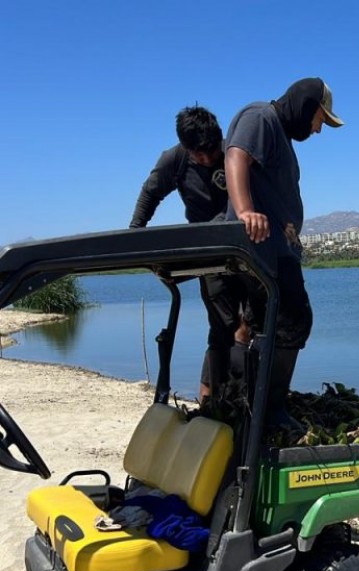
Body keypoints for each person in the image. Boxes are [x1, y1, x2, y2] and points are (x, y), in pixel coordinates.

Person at [224, 77, 344, 430]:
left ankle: (250, 401)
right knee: (293, 320)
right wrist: (245, 211)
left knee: (267, 326)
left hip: (278, 251)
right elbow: (236, 156)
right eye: (320, 119)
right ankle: (269, 410)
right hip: (265, 252)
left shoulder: (279, 134)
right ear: (306, 107)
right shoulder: (260, 117)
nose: (318, 129)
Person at [129, 106, 245, 399]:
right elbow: (150, 193)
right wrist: (135, 233)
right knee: (222, 328)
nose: (206, 159)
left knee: (252, 323)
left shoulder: (232, 151)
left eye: (209, 151)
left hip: (243, 248)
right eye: (198, 154)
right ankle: (208, 398)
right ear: (185, 147)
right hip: (209, 255)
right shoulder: (176, 160)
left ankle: (244, 391)